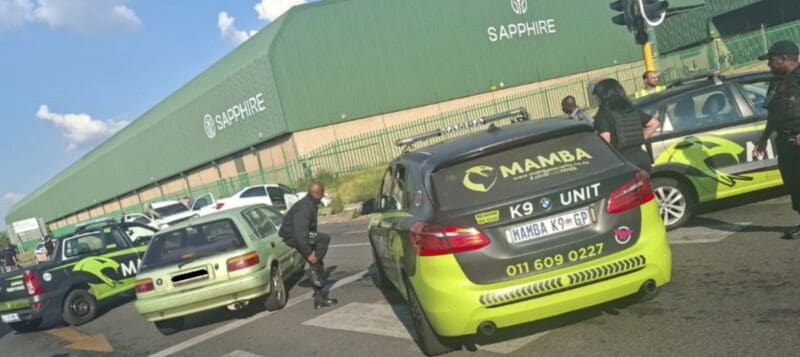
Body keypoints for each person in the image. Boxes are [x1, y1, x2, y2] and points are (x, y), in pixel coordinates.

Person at [752, 40, 800, 240]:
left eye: (771, 60)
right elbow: (773, 115)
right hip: (785, 140)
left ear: (784, 59)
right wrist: (763, 140)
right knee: (794, 183)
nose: (768, 64)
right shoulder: (776, 82)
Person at [278, 181, 338, 309]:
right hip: (293, 236)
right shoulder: (305, 207)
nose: (322, 198)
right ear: (318, 194)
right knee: (324, 240)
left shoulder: (310, 203)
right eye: (322, 195)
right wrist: (309, 254)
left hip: (300, 235)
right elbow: (300, 234)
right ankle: (313, 270)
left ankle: (319, 299)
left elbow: (309, 232)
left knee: (318, 264)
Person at [593, 78, 661, 172]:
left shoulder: (603, 114)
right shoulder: (631, 109)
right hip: (642, 158)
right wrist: (641, 136)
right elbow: (654, 123)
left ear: (602, 96)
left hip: (621, 162)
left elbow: (605, 139)